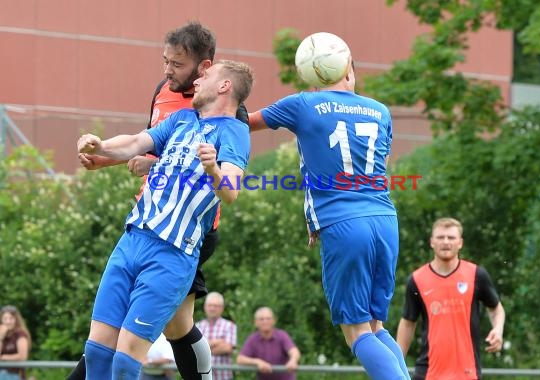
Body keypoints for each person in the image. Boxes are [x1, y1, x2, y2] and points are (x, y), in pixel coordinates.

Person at [68, 22, 249, 380]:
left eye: (202, 76)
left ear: (221, 83)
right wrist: (100, 145)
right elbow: (137, 141)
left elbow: (231, 190)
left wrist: (213, 169)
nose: (193, 81)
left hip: (174, 248)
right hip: (134, 237)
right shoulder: (181, 117)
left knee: (127, 359)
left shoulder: (234, 130)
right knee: (99, 351)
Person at [247, 34, 409, 380]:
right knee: (377, 325)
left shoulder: (302, 104)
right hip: (384, 219)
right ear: (349, 70)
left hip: (344, 224)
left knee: (356, 331)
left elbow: (245, 122)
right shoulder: (380, 111)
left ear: (310, 73)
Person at [396, 217, 506, 380]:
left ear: (460, 242)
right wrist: (396, 365)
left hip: (467, 373)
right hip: (428, 373)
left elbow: (496, 308)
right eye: (440, 237)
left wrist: (498, 330)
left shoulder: (476, 275)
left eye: (451, 237)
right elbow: (408, 322)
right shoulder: (417, 279)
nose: (445, 242)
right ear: (432, 242)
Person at [236, 307, 300, 380]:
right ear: (256, 323)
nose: (265, 322)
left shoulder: (282, 335)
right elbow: (240, 359)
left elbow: (294, 351)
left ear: (274, 321)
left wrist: (293, 361)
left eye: (268, 318)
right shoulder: (252, 339)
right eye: (261, 319)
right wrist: (257, 362)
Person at [196, 292, 237, 380]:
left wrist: (202, 348)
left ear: (222, 308)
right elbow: (192, 350)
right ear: (205, 307)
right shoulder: (197, 327)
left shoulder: (230, 326)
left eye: (216, 306)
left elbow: (227, 348)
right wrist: (217, 342)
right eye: (210, 305)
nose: (212, 308)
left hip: (223, 377)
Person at [0, 305, 31, 380]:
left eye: (11, 318)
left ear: (16, 319)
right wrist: (0, 337)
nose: (8, 321)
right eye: (5, 319)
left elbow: (22, 357)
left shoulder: (20, 334)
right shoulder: (2, 333)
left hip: (14, 374)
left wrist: (3, 357)